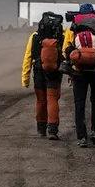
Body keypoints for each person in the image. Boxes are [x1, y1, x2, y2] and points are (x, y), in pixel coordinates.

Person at [64, 2, 95, 148]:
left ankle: (82, 137)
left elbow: (66, 49)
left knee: (80, 104)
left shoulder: (72, 28)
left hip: (78, 70)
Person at [21, 11, 65, 140]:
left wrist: (25, 78)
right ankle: (53, 129)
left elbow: (28, 57)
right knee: (52, 99)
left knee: (41, 100)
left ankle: (41, 129)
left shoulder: (34, 36)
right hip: (54, 70)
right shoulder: (60, 36)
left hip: (39, 69)